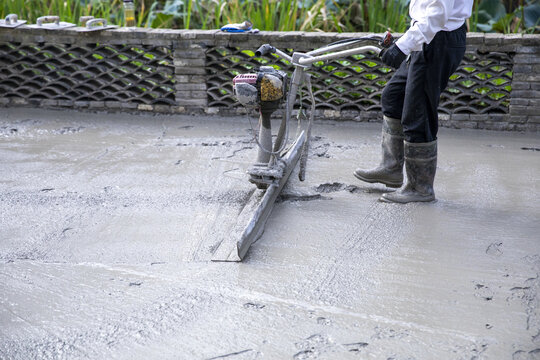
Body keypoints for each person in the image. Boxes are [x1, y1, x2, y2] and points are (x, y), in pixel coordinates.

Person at [354, 0, 474, 203]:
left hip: (438, 40)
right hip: (427, 37)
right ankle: (391, 168)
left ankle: (421, 187)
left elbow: (437, 15)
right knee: (393, 97)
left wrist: (403, 46)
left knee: (418, 113)